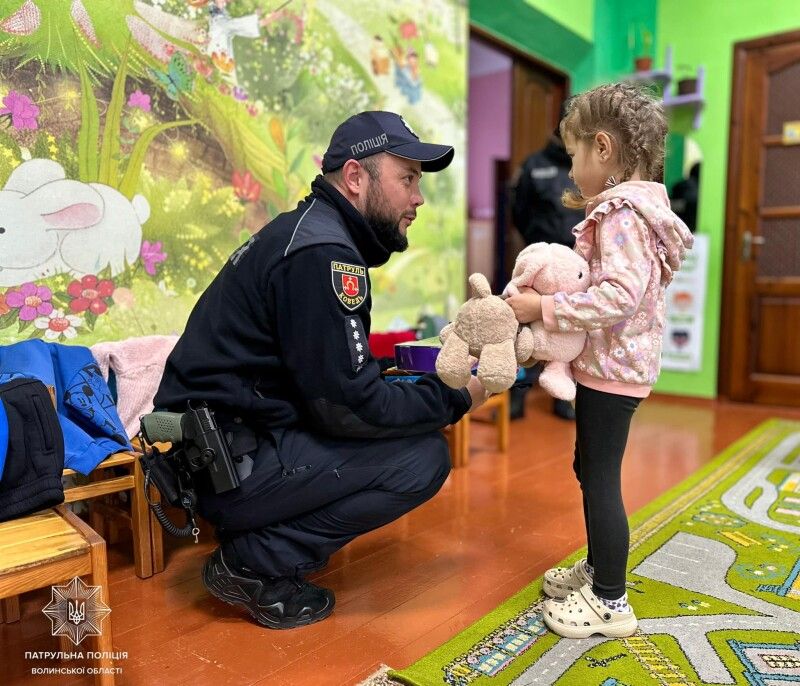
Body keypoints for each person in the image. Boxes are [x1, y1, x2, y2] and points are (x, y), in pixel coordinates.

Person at [153, 111, 490, 630]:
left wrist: (410, 384)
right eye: (407, 179)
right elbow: (348, 407)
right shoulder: (325, 255)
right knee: (422, 460)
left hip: (226, 451)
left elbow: (331, 378)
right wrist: (457, 397)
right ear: (356, 178)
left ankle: (257, 540)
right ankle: (253, 563)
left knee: (402, 421)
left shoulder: (310, 235)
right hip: (226, 470)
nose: (418, 198)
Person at [506, 83, 693, 638]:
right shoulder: (633, 209)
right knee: (588, 468)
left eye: (574, 156)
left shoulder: (621, 215)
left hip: (615, 371)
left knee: (601, 477)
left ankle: (611, 601)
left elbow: (619, 296)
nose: (570, 171)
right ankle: (599, 567)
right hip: (611, 366)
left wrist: (544, 305)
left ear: (604, 149)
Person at [510, 105, 585, 421]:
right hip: (539, 260)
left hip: (575, 263)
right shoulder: (534, 165)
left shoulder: (585, 166)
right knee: (520, 322)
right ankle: (516, 391)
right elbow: (519, 211)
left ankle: (562, 393)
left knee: (569, 325)